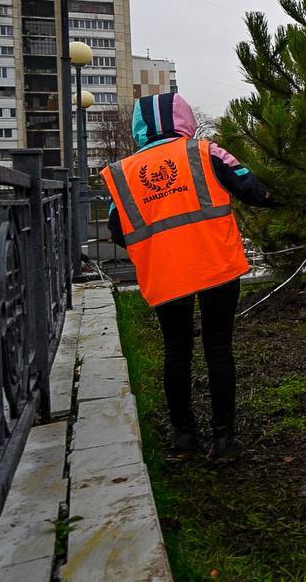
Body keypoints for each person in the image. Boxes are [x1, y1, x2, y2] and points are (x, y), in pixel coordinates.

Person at [103, 93, 276, 464]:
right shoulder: (206, 151)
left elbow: (117, 229)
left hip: (164, 272)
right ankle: (224, 441)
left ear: (140, 127)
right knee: (218, 347)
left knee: (176, 350)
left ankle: (184, 439)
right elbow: (253, 190)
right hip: (216, 264)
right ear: (183, 119)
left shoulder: (123, 172)